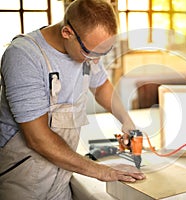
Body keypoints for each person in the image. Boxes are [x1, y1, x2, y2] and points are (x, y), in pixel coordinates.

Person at [0, 0, 145, 199]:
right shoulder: (23, 56)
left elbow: (101, 85)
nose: (95, 61)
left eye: (103, 53)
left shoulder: (87, 49)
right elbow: (37, 138)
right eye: (90, 53)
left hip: (61, 177)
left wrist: (126, 120)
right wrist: (102, 171)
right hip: (23, 181)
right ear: (67, 32)